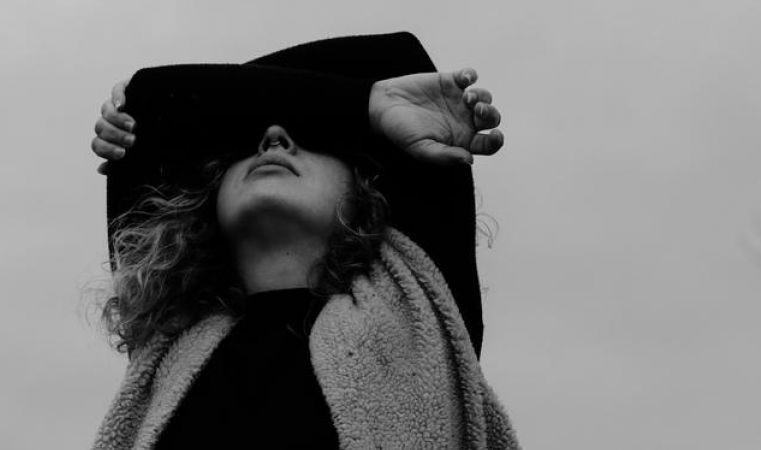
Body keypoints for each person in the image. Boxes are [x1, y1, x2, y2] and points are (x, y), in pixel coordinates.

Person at [90, 32, 519, 449]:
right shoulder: (172, 332)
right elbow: (151, 101)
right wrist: (358, 103)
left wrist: (363, 107)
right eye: (245, 145)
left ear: (369, 191)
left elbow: (394, 57)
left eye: (312, 139)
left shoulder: (419, 308)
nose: (273, 140)